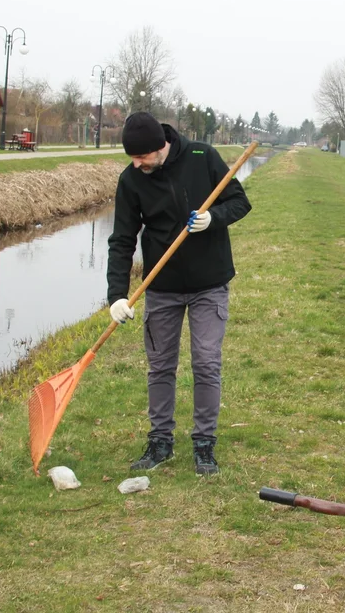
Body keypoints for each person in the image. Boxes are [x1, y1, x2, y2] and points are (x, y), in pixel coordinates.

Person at [106, 111, 251, 476]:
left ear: (161, 146)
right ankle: (160, 443)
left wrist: (212, 219)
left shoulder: (203, 158)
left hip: (209, 283)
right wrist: (116, 296)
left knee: (205, 362)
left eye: (142, 157)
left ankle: (204, 444)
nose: (137, 164)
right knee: (160, 367)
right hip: (162, 288)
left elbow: (239, 202)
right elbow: (122, 240)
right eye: (132, 158)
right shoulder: (131, 180)